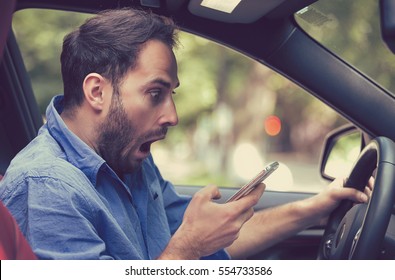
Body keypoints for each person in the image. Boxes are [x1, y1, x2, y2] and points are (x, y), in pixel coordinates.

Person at [0, 8, 369, 260]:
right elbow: (190, 244)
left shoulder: (128, 157)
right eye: (155, 93)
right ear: (97, 92)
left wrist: (316, 207)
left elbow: (216, 238)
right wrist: (188, 250)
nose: (173, 116)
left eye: (171, 95)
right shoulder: (45, 187)